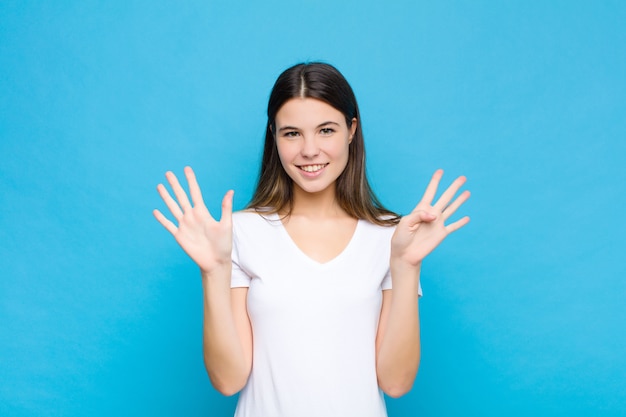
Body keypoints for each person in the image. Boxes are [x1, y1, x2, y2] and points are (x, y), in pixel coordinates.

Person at [153, 62, 470, 417]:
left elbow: (396, 383)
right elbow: (228, 380)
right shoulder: (239, 233)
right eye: (291, 133)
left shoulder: (393, 237)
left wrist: (407, 266)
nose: (309, 150)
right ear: (274, 136)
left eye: (325, 130)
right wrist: (213, 271)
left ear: (351, 130)